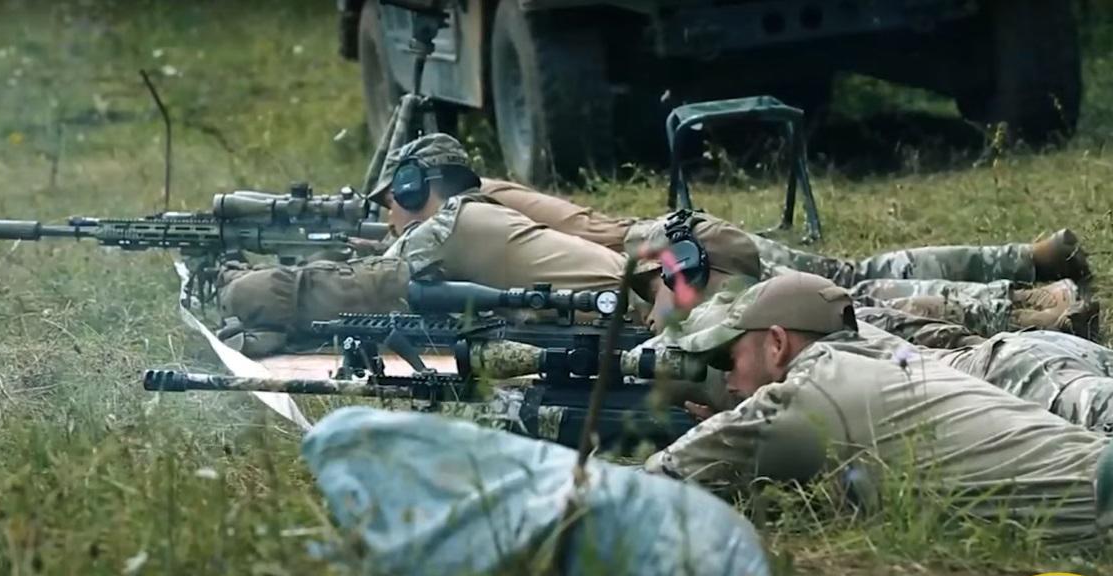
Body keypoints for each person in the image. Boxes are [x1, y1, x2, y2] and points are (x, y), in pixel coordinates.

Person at [641, 272, 1113, 545]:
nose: (728, 380)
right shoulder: (877, 365)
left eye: (727, 360)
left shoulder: (806, 392)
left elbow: (653, 485)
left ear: (778, 344)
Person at [214, 133, 759, 355]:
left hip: (636, 330)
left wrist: (235, 285)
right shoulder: (482, 219)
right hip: (627, 323)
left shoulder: (452, 228)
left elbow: (353, 291)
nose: (387, 214)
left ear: (414, 188)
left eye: (391, 200)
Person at [478, 178, 1098, 338]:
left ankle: (1021, 309)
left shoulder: (465, 214)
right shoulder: (485, 196)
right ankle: (1028, 271)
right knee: (847, 283)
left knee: (837, 304)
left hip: (673, 266)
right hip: (682, 245)